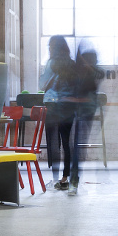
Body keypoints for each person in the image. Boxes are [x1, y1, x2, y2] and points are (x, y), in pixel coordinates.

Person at [40, 35, 77, 191]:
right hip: (68, 106)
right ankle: (65, 178)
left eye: (50, 46)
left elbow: (42, 84)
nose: (49, 49)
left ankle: (55, 177)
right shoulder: (72, 64)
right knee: (67, 143)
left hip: (53, 106)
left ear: (54, 47)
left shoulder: (51, 63)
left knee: (53, 143)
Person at [68, 41, 103, 195]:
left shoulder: (94, 72)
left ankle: (73, 180)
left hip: (85, 112)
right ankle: (72, 179)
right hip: (74, 111)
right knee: (74, 146)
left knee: (77, 145)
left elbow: (99, 75)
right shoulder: (77, 73)